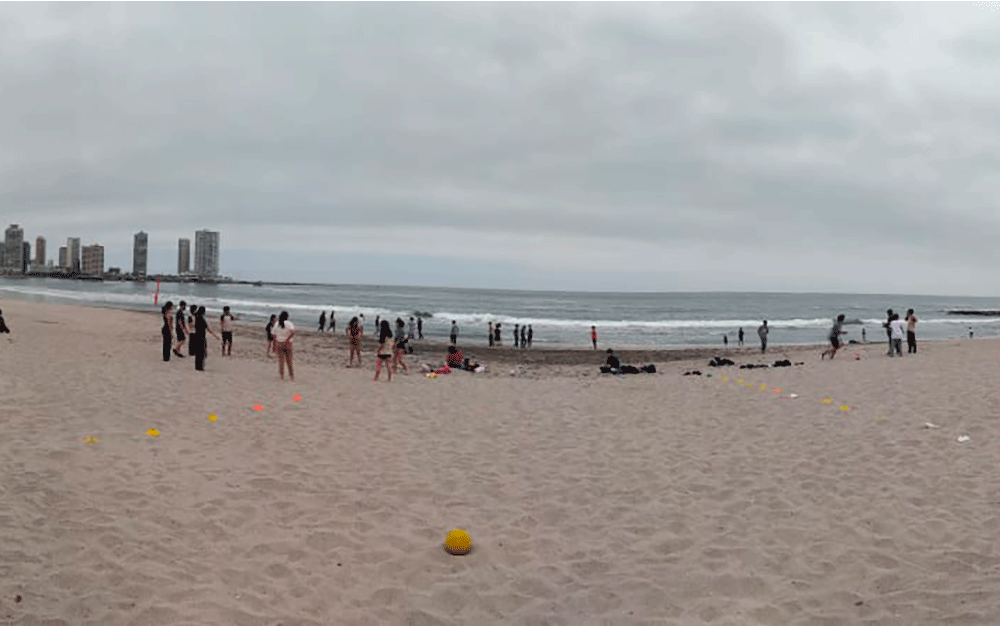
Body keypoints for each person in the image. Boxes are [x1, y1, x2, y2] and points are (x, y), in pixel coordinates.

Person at [193, 306, 219, 372]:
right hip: (201, 337)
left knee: (198, 352)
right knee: (202, 352)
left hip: (197, 336)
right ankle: (201, 366)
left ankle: (197, 366)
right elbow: (208, 328)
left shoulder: (196, 317)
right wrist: (215, 335)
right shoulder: (201, 319)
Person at [273, 311, 296, 381]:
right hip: (287, 343)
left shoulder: (277, 324)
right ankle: (291, 376)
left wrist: (274, 345)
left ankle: (282, 376)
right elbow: (293, 332)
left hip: (279, 343)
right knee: (289, 361)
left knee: (281, 361)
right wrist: (288, 339)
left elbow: (274, 335)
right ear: (287, 317)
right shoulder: (289, 324)